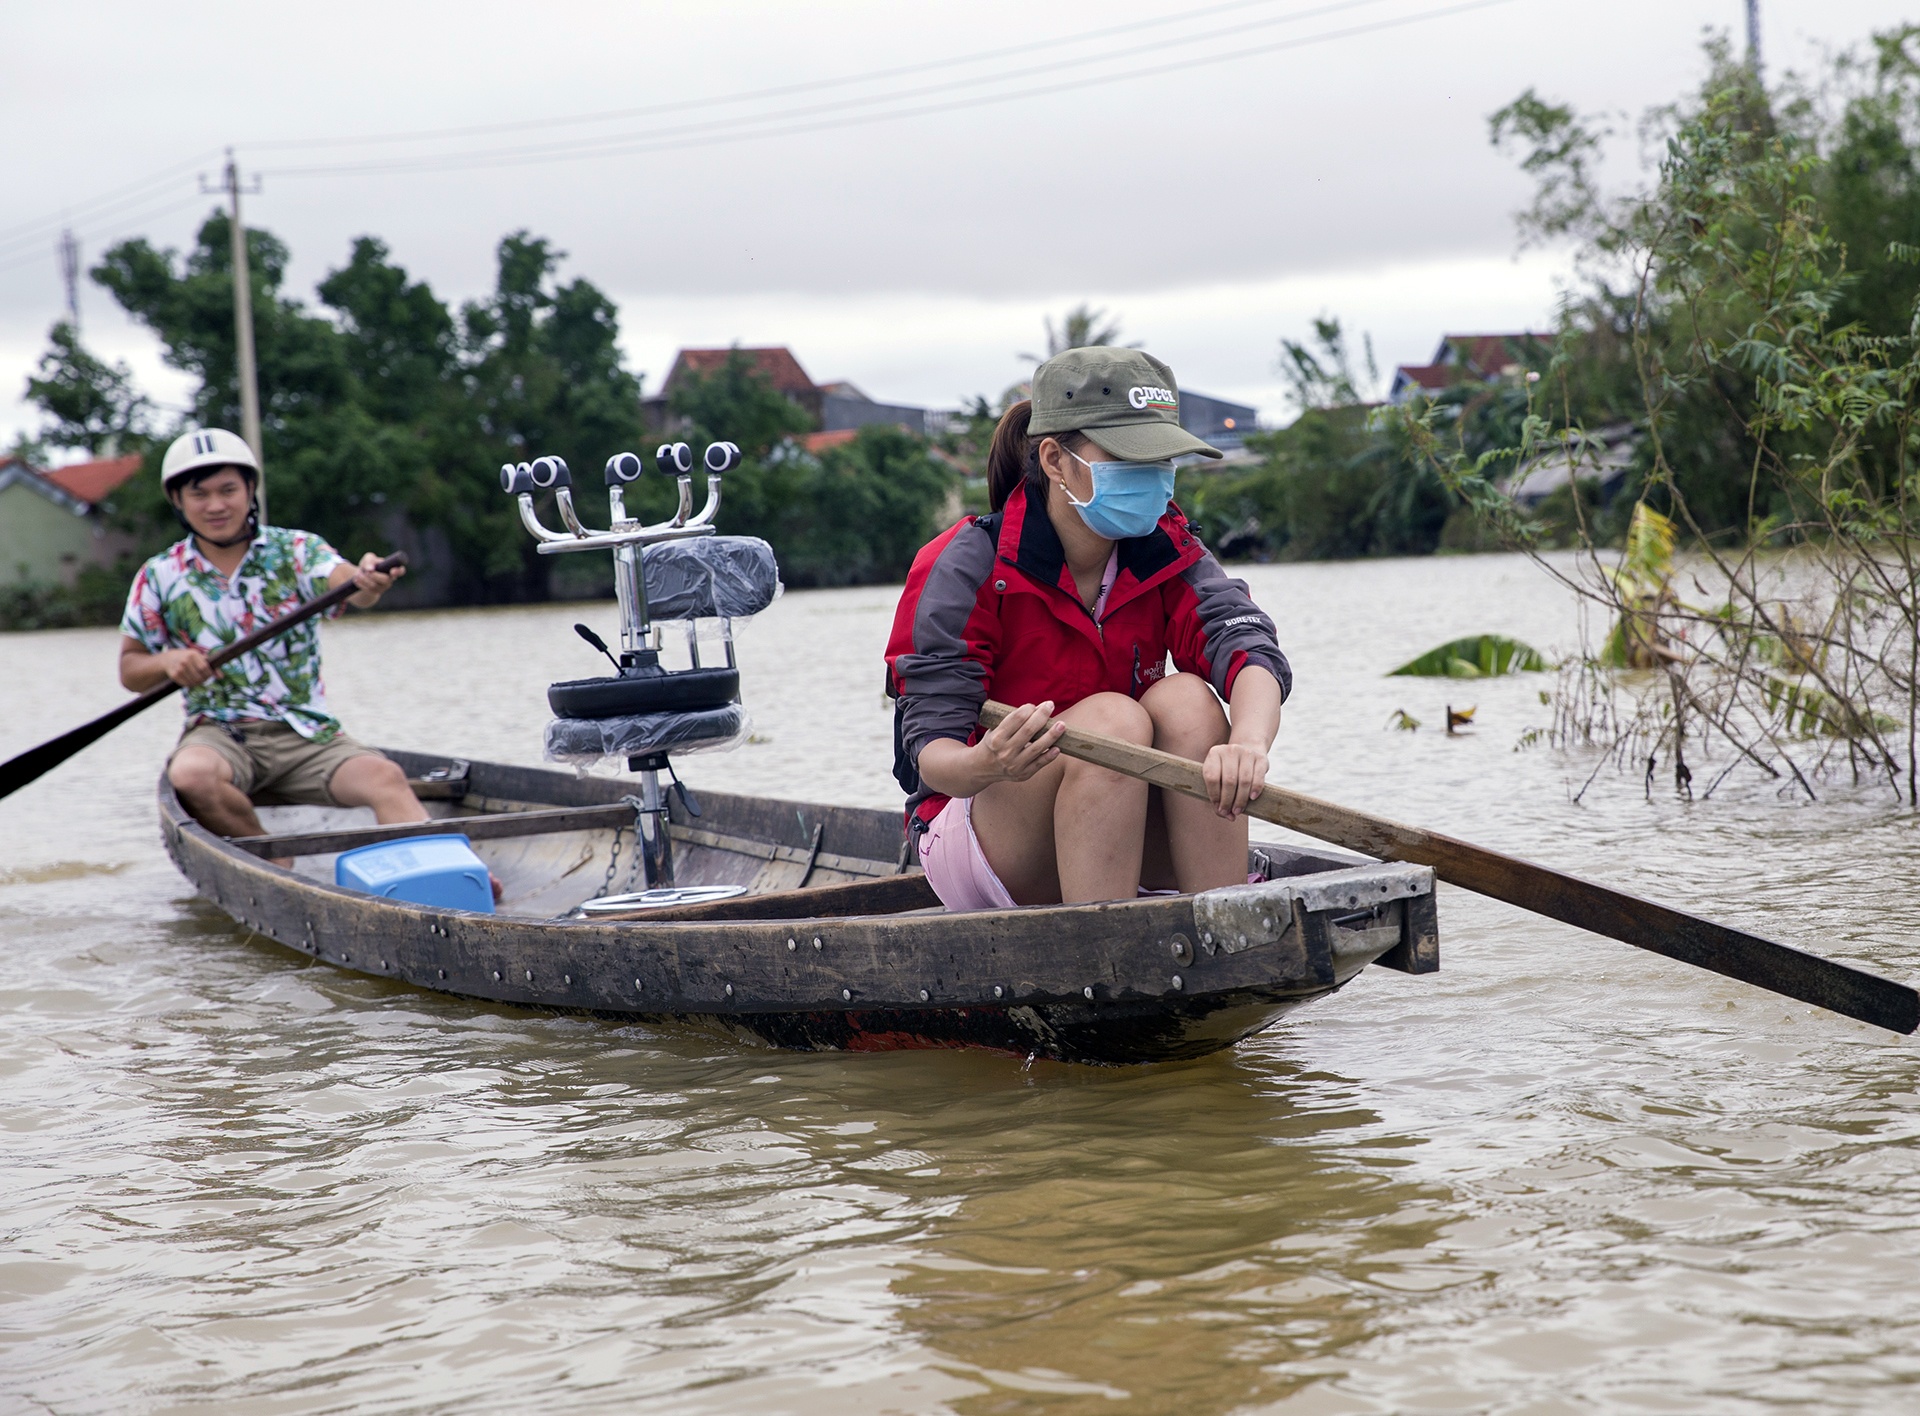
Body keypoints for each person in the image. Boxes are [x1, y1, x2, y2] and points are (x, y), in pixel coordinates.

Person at [886, 348, 1291, 910]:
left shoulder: (1165, 547)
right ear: (1054, 459)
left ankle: (1227, 921)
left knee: (1189, 701)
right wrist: (987, 763)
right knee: (1114, 720)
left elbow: (1247, 647)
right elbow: (933, 753)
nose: (1152, 480)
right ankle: (1104, 952)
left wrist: (1247, 744)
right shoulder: (966, 563)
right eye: (1129, 460)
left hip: (1117, 815)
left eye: (1161, 461)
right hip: (986, 828)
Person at [119, 428, 428, 861]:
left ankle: (447, 872)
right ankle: (271, 857)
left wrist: (368, 580)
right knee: (189, 776)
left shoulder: (295, 549)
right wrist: (170, 661)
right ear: (178, 502)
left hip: (304, 730)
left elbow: (350, 586)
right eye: (200, 494)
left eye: (228, 490)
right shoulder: (159, 575)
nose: (216, 505)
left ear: (250, 489)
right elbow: (131, 670)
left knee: (385, 776)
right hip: (220, 733)